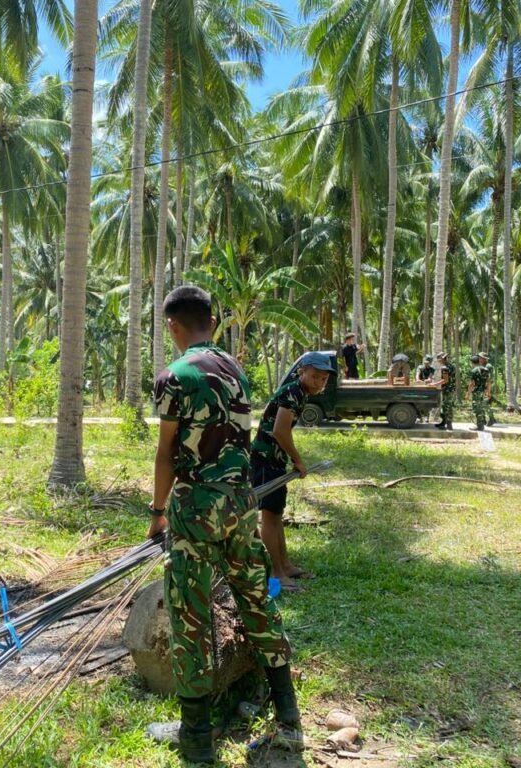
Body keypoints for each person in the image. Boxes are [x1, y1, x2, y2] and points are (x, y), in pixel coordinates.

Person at [146, 286, 302, 763]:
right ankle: (290, 720)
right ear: (211, 322)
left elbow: (167, 454)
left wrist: (157, 513)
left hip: (195, 507)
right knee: (256, 601)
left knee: (190, 618)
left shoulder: (174, 376)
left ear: (173, 326)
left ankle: (195, 739)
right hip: (240, 501)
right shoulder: (235, 370)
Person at [250, 352, 334, 592]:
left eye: (323, 379)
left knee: (276, 513)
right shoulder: (292, 392)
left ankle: (284, 565)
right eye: (315, 376)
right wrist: (298, 460)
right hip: (265, 460)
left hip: (274, 460)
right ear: (302, 372)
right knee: (269, 515)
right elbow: (279, 431)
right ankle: (275, 574)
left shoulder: (299, 392)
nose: (319, 382)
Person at [466, 353, 490, 431]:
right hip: (483, 392)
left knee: (477, 409)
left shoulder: (474, 370)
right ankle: (481, 425)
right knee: (481, 408)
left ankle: (480, 426)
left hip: (476, 392)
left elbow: (471, 384)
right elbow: (488, 382)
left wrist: (468, 394)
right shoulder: (486, 370)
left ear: (472, 363)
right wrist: (488, 392)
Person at [435, 352, 457, 431]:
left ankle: (449, 425)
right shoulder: (451, 366)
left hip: (447, 389)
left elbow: (445, 380)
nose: (438, 360)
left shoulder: (444, 367)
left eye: (439, 359)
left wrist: (435, 384)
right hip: (450, 389)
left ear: (442, 359)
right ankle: (443, 423)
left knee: (447, 407)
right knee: (447, 406)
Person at [479, 354, 497, 426]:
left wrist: (487, 390)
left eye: (481, 358)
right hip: (483, 387)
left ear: (485, 359)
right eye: (479, 358)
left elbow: (488, 379)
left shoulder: (488, 366)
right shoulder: (484, 366)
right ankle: (483, 420)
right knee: (481, 404)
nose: (480, 359)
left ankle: (492, 418)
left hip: (486, 388)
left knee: (485, 404)